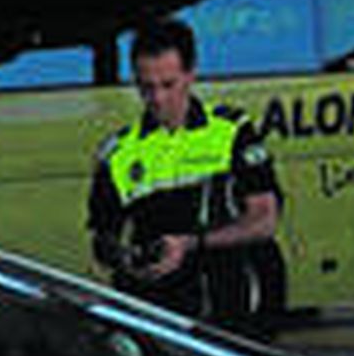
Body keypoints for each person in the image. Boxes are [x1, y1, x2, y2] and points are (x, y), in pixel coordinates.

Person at [88, 17, 286, 332]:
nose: (157, 99)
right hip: (162, 316)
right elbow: (102, 237)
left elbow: (264, 220)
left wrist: (189, 244)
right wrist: (126, 259)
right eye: (146, 87)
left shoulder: (231, 131)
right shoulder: (118, 153)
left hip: (240, 310)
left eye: (168, 85)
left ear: (191, 74)